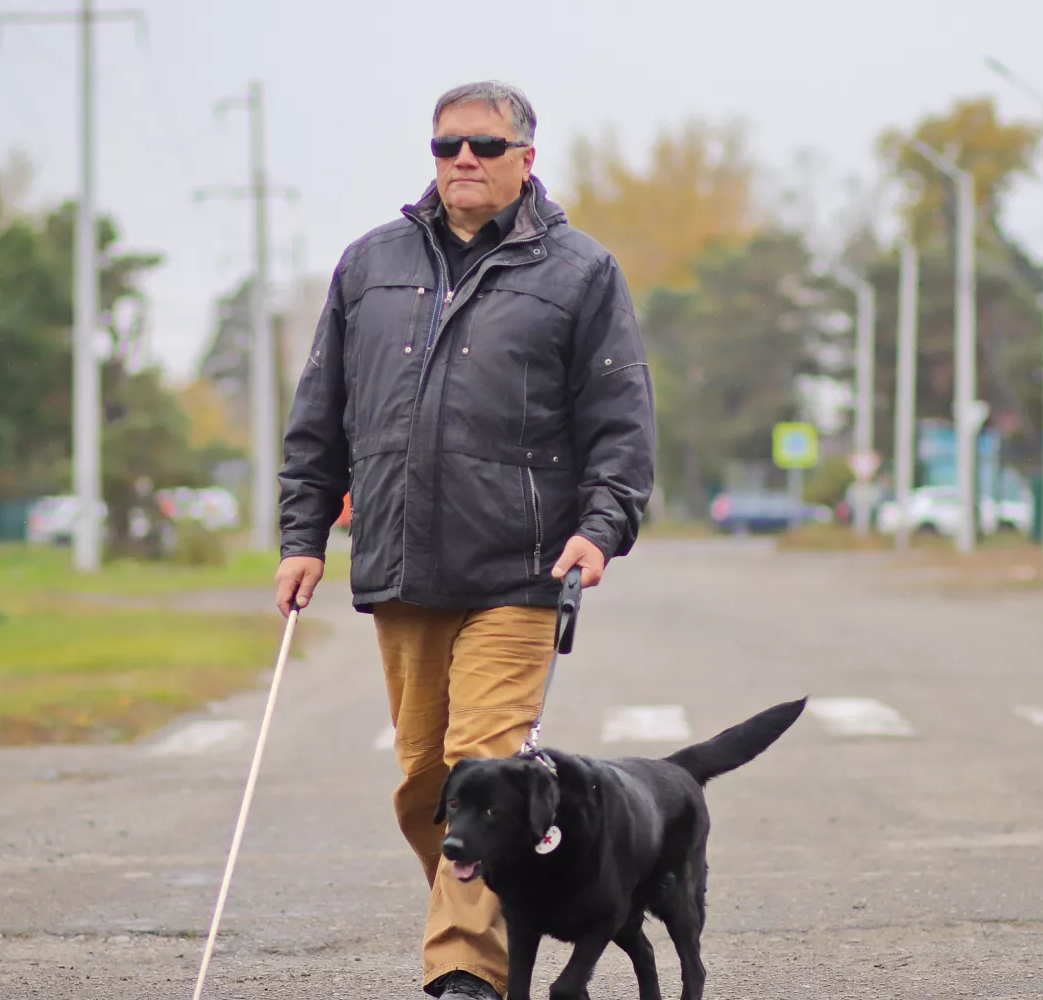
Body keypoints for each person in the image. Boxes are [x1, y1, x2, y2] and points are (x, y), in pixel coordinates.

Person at [274, 80, 656, 1000]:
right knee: (427, 787)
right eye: (447, 147)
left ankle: (465, 974)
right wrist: (302, 534)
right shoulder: (370, 266)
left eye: (484, 146)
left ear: (528, 158)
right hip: (402, 567)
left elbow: (620, 422)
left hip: (521, 570)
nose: (464, 163)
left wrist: (601, 529)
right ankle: (501, 900)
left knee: (484, 756)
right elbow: (319, 415)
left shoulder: (580, 272)